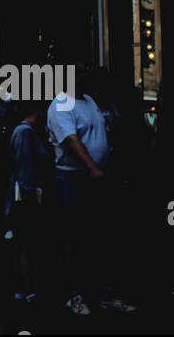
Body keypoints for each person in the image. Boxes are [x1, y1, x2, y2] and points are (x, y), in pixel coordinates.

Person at [46, 62, 137, 316]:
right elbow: (71, 140)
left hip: (99, 178)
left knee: (102, 234)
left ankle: (105, 293)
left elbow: (103, 131)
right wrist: (92, 168)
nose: (87, 75)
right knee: (75, 236)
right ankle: (75, 295)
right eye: (82, 71)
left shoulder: (88, 100)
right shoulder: (61, 104)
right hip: (73, 179)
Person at [9, 101, 51, 304]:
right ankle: (26, 289)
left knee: (22, 244)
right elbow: (25, 170)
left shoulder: (25, 132)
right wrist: (30, 199)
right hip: (25, 199)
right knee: (25, 244)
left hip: (23, 197)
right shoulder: (25, 133)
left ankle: (22, 288)